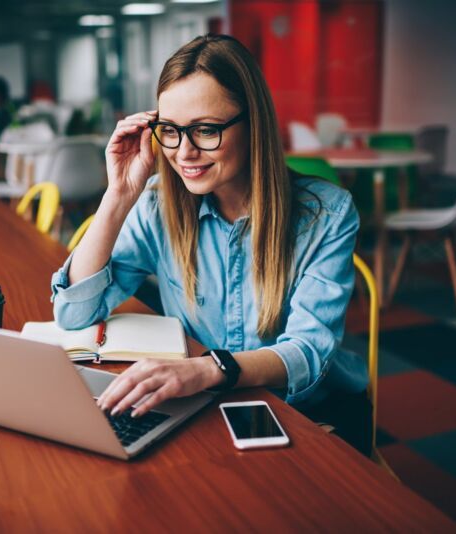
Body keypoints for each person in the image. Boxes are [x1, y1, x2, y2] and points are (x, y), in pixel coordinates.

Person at [49, 34, 372, 455]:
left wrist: (209, 370)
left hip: (310, 410)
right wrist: (117, 198)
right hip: (209, 403)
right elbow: (74, 314)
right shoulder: (156, 206)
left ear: (252, 123)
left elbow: (309, 352)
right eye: (170, 131)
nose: (184, 152)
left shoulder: (327, 215)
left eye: (205, 130)